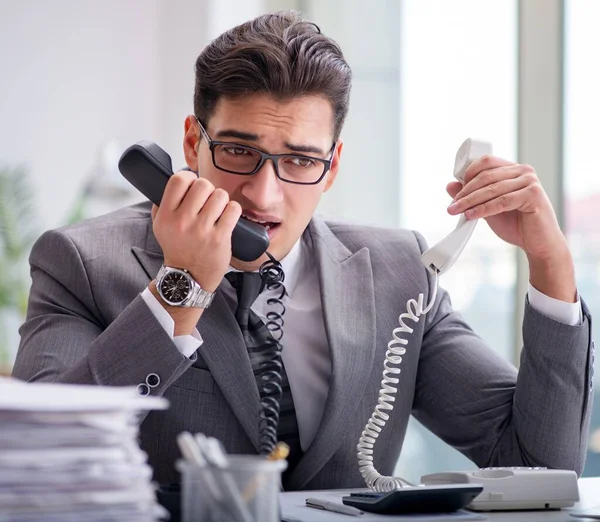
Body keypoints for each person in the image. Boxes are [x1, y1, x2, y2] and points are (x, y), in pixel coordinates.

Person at [12, 10, 593, 491]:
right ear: (193, 141)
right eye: (239, 152)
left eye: (300, 161)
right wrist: (179, 290)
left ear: (332, 166)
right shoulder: (81, 263)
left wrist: (551, 264)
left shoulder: (400, 275)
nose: (263, 195)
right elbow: (40, 464)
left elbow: (540, 463)